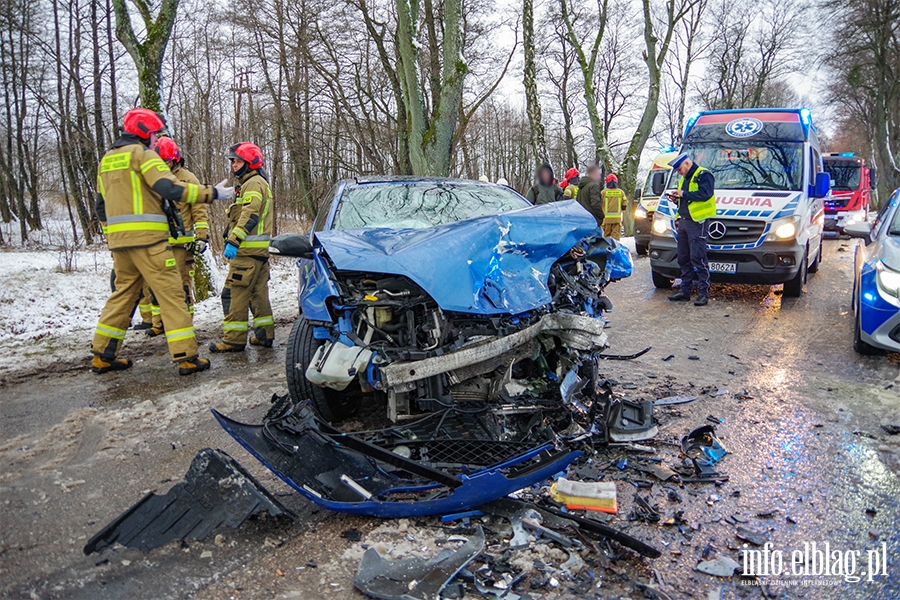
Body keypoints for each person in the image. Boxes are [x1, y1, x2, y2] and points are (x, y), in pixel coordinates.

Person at [90, 108, 233, 375]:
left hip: (120, 245)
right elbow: (170, 187)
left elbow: (100, 206)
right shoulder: (143, 155)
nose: (156, 140)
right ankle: (187, 357)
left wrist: (113, 234)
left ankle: (102, 354)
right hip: (150, 242)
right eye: (155, 134)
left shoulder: (107, 160)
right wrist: (212, 193)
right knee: (172, 295)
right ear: (144, 132)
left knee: (122, 295)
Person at [209, 142, 275, 352]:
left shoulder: (253, 184)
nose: (234, 165)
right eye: (232, 161)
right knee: (257, 294)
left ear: (250, 162)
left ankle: (233, 340)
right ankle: (265, 335)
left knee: (233, 294)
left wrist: (233, 240)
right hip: (258, 252)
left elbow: (250, 214)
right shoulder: (255, 183)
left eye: (237, 161)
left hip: (246, 252)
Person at [145, 137, 210, 336]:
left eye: (166, 161)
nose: (163, 165)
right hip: (158, 244)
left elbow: (199, 210)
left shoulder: (188, 180)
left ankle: (184, 324)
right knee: (156, 285)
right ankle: (159, 323)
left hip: (183, 246)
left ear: (175, 160)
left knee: (181, 287)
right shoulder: (151, 180)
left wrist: (201, 237)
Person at [666, 153, 716, 306]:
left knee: (698, 258)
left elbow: (706, 194)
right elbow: (688, 199)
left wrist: (684, 194)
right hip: (684, 221)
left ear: (687, 163)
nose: (679, 173)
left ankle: (703, 293)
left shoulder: (703, 174)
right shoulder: (685, 178)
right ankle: (685, 291)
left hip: (697, 223)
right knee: (683, 258)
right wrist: (677, 199)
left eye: (680, 169)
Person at [600, 174, 627, 239]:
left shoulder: (603, 192)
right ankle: (615, 249)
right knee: (615, 239)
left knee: (605, 238)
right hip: (617, 220)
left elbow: (599, 204)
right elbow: (624, 205)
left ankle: (606, 249)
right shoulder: (621, 192)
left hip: (605, 220)